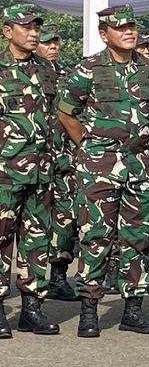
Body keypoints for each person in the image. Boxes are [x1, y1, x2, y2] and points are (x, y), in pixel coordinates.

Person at [58, 4, 149, 337]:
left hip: (141, 167)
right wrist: (91, 149)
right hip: (99, 167)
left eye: (132, 27)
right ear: (104, 35)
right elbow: (67, 114)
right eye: (121, 29)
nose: (129, 33)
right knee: (96, 238)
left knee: (140, 239)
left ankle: (132, 310)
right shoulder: (87, 70)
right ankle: (89, 311)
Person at [0, 4, 60, 338]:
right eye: (26, 26)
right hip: (4, 172)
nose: (34, 32)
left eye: (36, 26)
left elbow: (57, 118)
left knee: (37, 241)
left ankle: (32, 309)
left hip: (41, 172)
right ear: (9, 31)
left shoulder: (48, 69)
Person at [37, 24, 79, 302]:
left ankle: (58, 277)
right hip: (28, 162)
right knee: (27, 224)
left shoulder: (69, 76)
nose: (52, 47)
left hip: (64, 161)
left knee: (66, 219)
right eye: (47, 42)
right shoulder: (22, 72)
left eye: (56, 42)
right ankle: (30, 281)